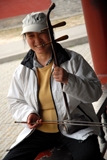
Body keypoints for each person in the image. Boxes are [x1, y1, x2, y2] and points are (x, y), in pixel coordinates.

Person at [3, 11, 105, 160]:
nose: (37, 40)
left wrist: (69, 79)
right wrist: (28, 114)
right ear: (25, 38)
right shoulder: (22, 70)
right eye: (31, 35)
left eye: (42, 33)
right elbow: (15, 100)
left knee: (88, 156)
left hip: (74, 127)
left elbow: (95, 93)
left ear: (51, 32)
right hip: (39, 132)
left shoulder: (73, 60)